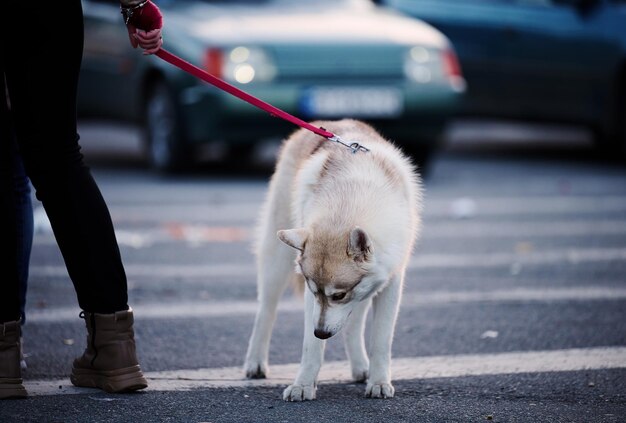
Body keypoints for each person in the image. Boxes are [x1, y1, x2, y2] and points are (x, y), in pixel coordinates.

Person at [0, 0, 164, 399]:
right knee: (59, 160)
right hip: (50, 12)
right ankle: (114, 348)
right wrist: (135, 6)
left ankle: (3, 355)